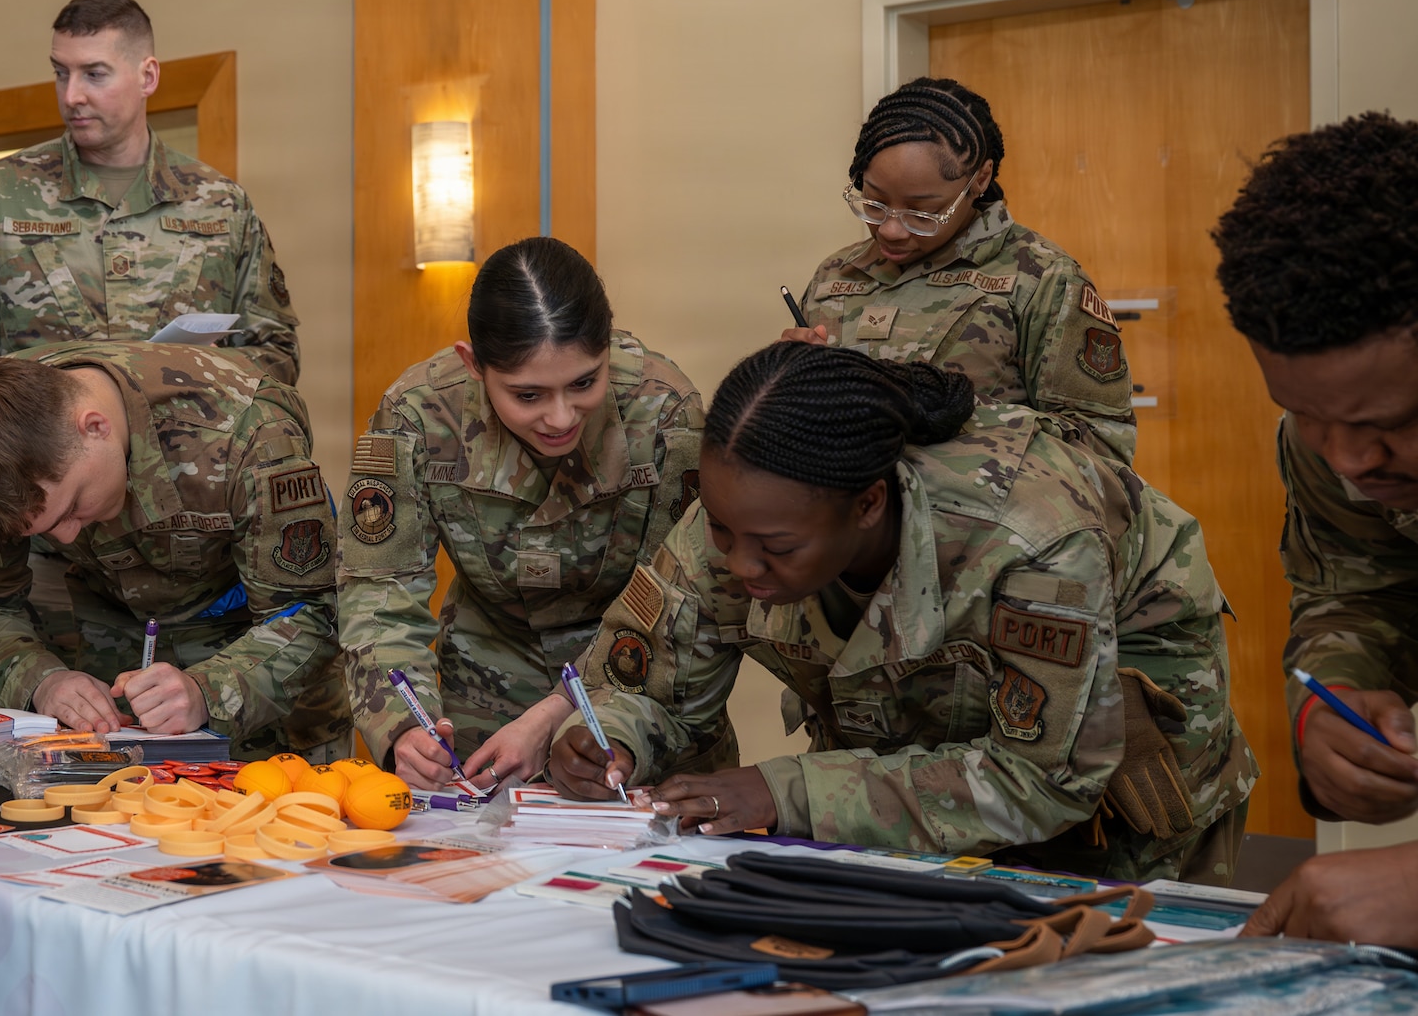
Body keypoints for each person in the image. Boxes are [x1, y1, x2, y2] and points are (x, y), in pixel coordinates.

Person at [548, 343, 1256, 885]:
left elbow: (1043, 779)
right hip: (938, 732)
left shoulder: (1032, 537)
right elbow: (652, 688)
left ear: (867, 505)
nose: (740, 565)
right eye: (724, 533)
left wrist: (784, 790)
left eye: (773, 548)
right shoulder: (747, 520)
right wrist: (608, 736)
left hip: (1112, 758)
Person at [340, 237, 705, 788]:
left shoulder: (663, 410)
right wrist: (401, 724)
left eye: (585, 382)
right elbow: (379, 591)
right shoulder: (419, 414)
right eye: (528, 395)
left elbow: (679, 606)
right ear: (473, 364)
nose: (560, 416)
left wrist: (557, 712)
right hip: (481, 702)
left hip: (634, 698)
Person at [0, 341, 348, 761]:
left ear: (95, 427)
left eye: (72, 508)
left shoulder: (249, 434)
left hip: (248, 660)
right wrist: (39, 681)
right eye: (45, 531)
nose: (65, 538)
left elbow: (310, 611)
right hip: (97, 656)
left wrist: (209, 691)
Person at [1213, 115, 1418, 946]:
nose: (1347, 460)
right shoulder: (1333, 445)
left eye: (1395, 421)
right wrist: (1327, 707)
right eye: (1304, 415)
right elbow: (1361, 590)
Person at [0, 0, 300, 397]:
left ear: (147, 77)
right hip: (42, 457)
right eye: (61, 73)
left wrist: (204, 369)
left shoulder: (222, 204)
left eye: (94, 74)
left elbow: (278, 352)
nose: (72, 95)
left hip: (191, 457)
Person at [786, 77, 1136, 464]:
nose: (890, 229)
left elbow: (1103, 451)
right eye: (874, 202)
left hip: (969, 522)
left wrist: (939, 413)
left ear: (980, 179)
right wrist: (785, 380)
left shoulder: (1043, 279)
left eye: (923, 213)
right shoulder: (836, 274)